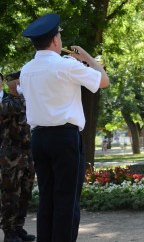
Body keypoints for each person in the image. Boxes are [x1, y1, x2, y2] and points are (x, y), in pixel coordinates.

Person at [20, 13, 110, 242]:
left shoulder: (26, 69)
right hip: (64, 138)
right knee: (67, 200)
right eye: (59, 35)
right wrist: (88, 58)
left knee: (47, 198)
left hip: (39, 138)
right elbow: (103, 81)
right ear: (54, 40)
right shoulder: (66, 65)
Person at [0, 72, 36, 242]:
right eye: (20, 83)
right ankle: (9, 231)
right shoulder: (6, 103)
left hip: (27, 154)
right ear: (13, 85)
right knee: (10, 195)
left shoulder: (27, 100)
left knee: (25, 193)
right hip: (10, 157)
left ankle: (18, 228)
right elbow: (17, 107)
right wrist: (23, 93)